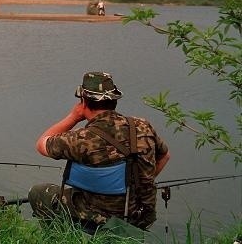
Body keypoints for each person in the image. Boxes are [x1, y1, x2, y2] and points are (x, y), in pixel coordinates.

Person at [28, 71, 170, 230]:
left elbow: (41, 144)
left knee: (38, 192)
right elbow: (165, 156)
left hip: (100, 219)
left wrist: (74, 117)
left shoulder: (81, 139)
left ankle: (58, 239)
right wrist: (135, 185)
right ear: (114, 101)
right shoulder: (142, 126)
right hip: (142, 216)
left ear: (83, 102)